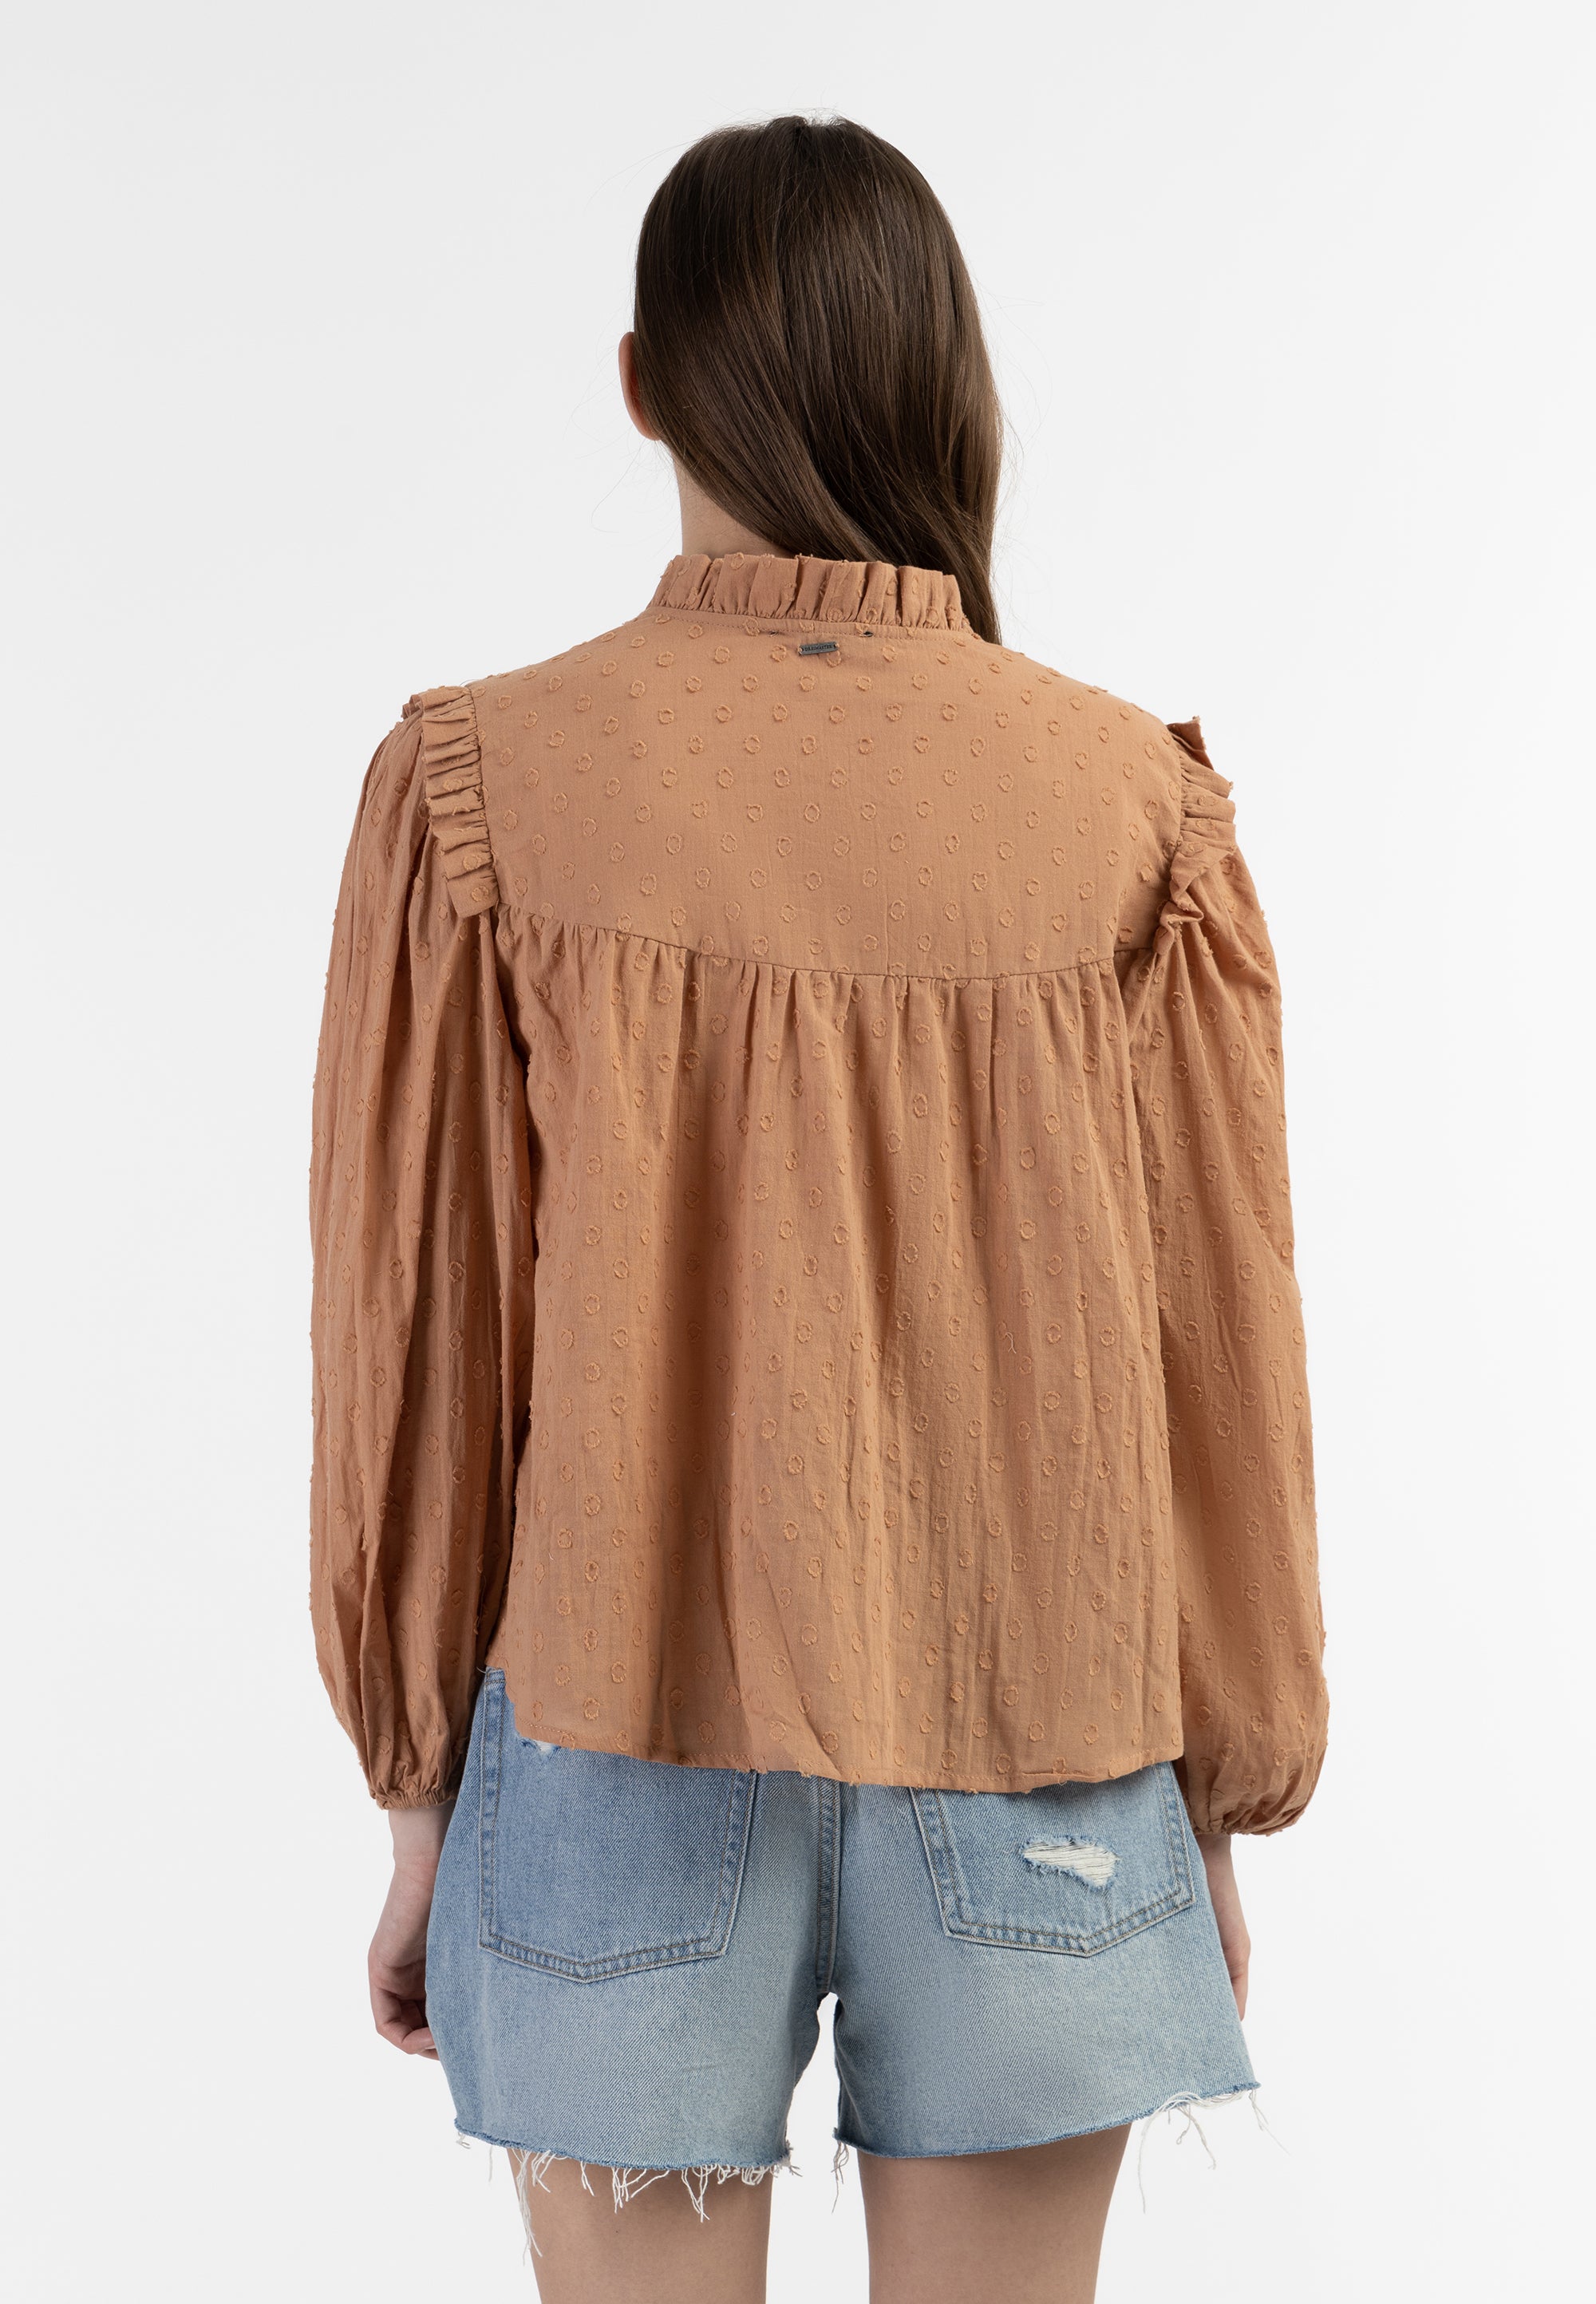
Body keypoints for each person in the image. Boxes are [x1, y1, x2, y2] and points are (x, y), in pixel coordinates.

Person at [308, 113, 1329, 2304]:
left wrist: (418, 1800)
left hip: (608, 1729)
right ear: (948, 387)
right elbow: (1224, 1355)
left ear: (640, 384)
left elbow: (419, 1330)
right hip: (1051, 1728)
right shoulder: (1137, 809)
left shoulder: (483, 784)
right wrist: (1215, 1804)